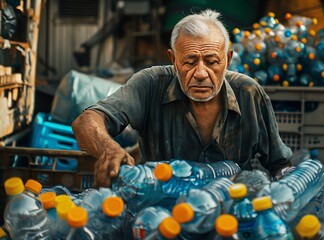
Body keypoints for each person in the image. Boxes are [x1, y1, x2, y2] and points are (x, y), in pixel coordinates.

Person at [72, 9, 292, 187]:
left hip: (231, 218)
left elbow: (280, 164)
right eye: (189, 62)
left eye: (212, 61)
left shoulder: (249, 94)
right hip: (161, 215)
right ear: (173, 59)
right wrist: (109, 150)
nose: (201, 73)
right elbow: (87, 120)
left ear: (228, 59)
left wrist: (289, 186)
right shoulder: (150, 84)